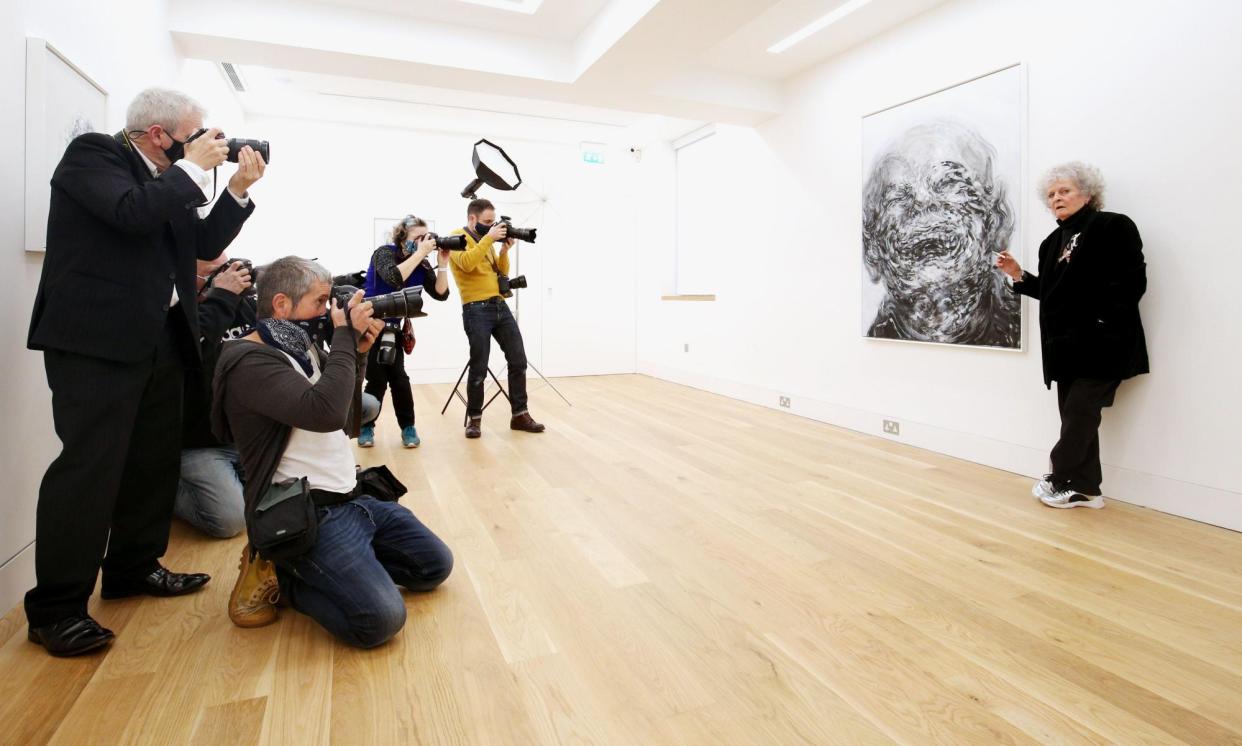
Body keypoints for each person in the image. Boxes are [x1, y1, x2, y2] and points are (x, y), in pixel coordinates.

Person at [24, 87, 265, 656]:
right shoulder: (93, 156)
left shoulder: (171, 182)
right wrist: (189, 171)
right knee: (90, 469)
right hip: (93, 343)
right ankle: (55, 610)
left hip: (160, 339)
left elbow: (201, 244)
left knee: (152, 462)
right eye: (198, 130)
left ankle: (133, 568)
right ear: (160, 134)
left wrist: (234, 189)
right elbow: (129, 215)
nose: (213, 141)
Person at [212, 257, 453, 644]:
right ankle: (282, 571)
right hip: (308, 511)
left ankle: (339, 569)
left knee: (434, 566)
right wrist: (343, 338)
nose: (329, 311)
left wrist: (356, 352)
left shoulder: (298, 342)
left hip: (350, 497)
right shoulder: (249, 360)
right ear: (281, 305)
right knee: (380, 620)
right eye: (321, 302)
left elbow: (346, 421)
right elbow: (322, 413)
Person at [997, 162, 1148, 509]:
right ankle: (1086, 489)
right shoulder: (1052, 242)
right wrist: (1018, 274)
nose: (1056, 198)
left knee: (1080, 412)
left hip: (1104, 344)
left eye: (1064, 191)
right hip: (1064, 350)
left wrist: (1100, 323)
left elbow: (1131, 283)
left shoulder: (1113, 226)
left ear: (1088, 193)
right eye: (1051, 195)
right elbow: (1051, 294)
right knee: (1078, 418)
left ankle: (1059, 475)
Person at [448, 199, 545, 439]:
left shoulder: (488, 242)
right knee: (479, 365)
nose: (491, 226)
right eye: (487, 222)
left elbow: (501, 272)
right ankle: (475, 419)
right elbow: (468, 264)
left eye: (493, 222)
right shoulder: (456, 237)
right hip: (475, 309)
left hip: (499, 306)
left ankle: (519, 415)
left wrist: (503, 251)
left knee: (518, 359)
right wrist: (489, 238)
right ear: (472, 219)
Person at [174, 256, 255, 538]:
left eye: (227, 267)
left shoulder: (242, 306)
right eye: (214, 272)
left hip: (241, 437)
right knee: (231, 520)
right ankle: (162, 487)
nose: (227, 276)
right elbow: (191, 355)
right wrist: (220, 298)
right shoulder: (175, 316)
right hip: (197, 443)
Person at [358, 215, 451, 448]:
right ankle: (366, 426)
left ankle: (407, 428)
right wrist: (421, 253)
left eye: (425, 237)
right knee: (377, 379)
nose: (423, 242)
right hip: (370, 324)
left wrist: (443, 264)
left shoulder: (422, 263)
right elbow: (394, 277)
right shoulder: (384, 253)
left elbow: (441, 294)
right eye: (417, 238)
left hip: (394, 328)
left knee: (399, 379)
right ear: (402, 237)